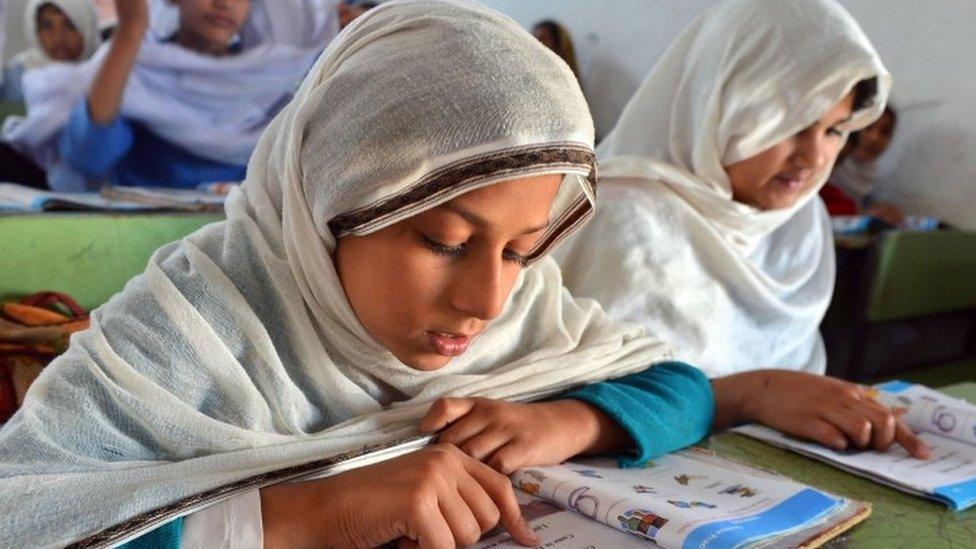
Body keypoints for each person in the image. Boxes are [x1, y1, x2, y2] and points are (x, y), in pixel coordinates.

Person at [0, 2, 713, 547]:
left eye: (521, 250)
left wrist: (564, 419)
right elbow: (22, 512)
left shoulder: (526, 311)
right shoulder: (194, 328)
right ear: (329, 203)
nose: (487, 300)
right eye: (443, 240)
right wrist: (309, 512)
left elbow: (678, 386)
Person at [554, 0, 929, 458]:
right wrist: (754, 394)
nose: (814, 160)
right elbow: (567, 410)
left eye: (834, 131)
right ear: (718, 102)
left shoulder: (795, 220)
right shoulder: (624, 215)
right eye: (789, 125)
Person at [0, 0, 339, 191]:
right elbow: (89, 156)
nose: (223, 3)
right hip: (130, 244)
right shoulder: (139, 67)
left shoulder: (269, 84)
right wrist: (131, 31)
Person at [1, 0, 102, 102]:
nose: (58, 38)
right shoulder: (18, 78)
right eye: (47, 26)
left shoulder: (107, 72)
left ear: (87, 26)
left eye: (70, 25)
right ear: (35, 30)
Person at [822, 105, 905, 224]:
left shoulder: (872, 176)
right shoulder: (823, 168)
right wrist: (861, 215)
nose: (874, 138)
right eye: (868, 127)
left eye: (885, 132)